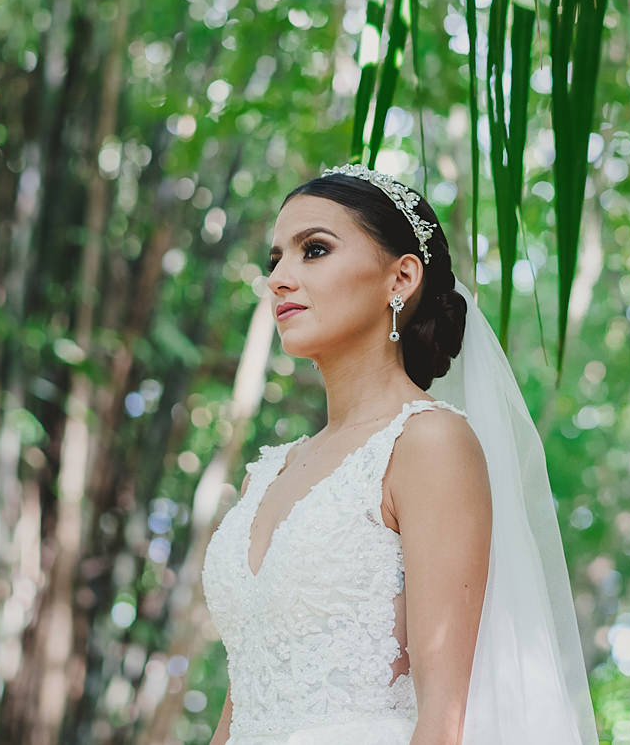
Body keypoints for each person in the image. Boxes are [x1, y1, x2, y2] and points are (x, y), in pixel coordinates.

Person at [202, 164, 598, 745]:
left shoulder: (428, 444)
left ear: (401, 277)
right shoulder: (268, 473)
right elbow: (241, 707)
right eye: (274, 259)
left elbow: (444, 719)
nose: (280, 278)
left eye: (314, 250)